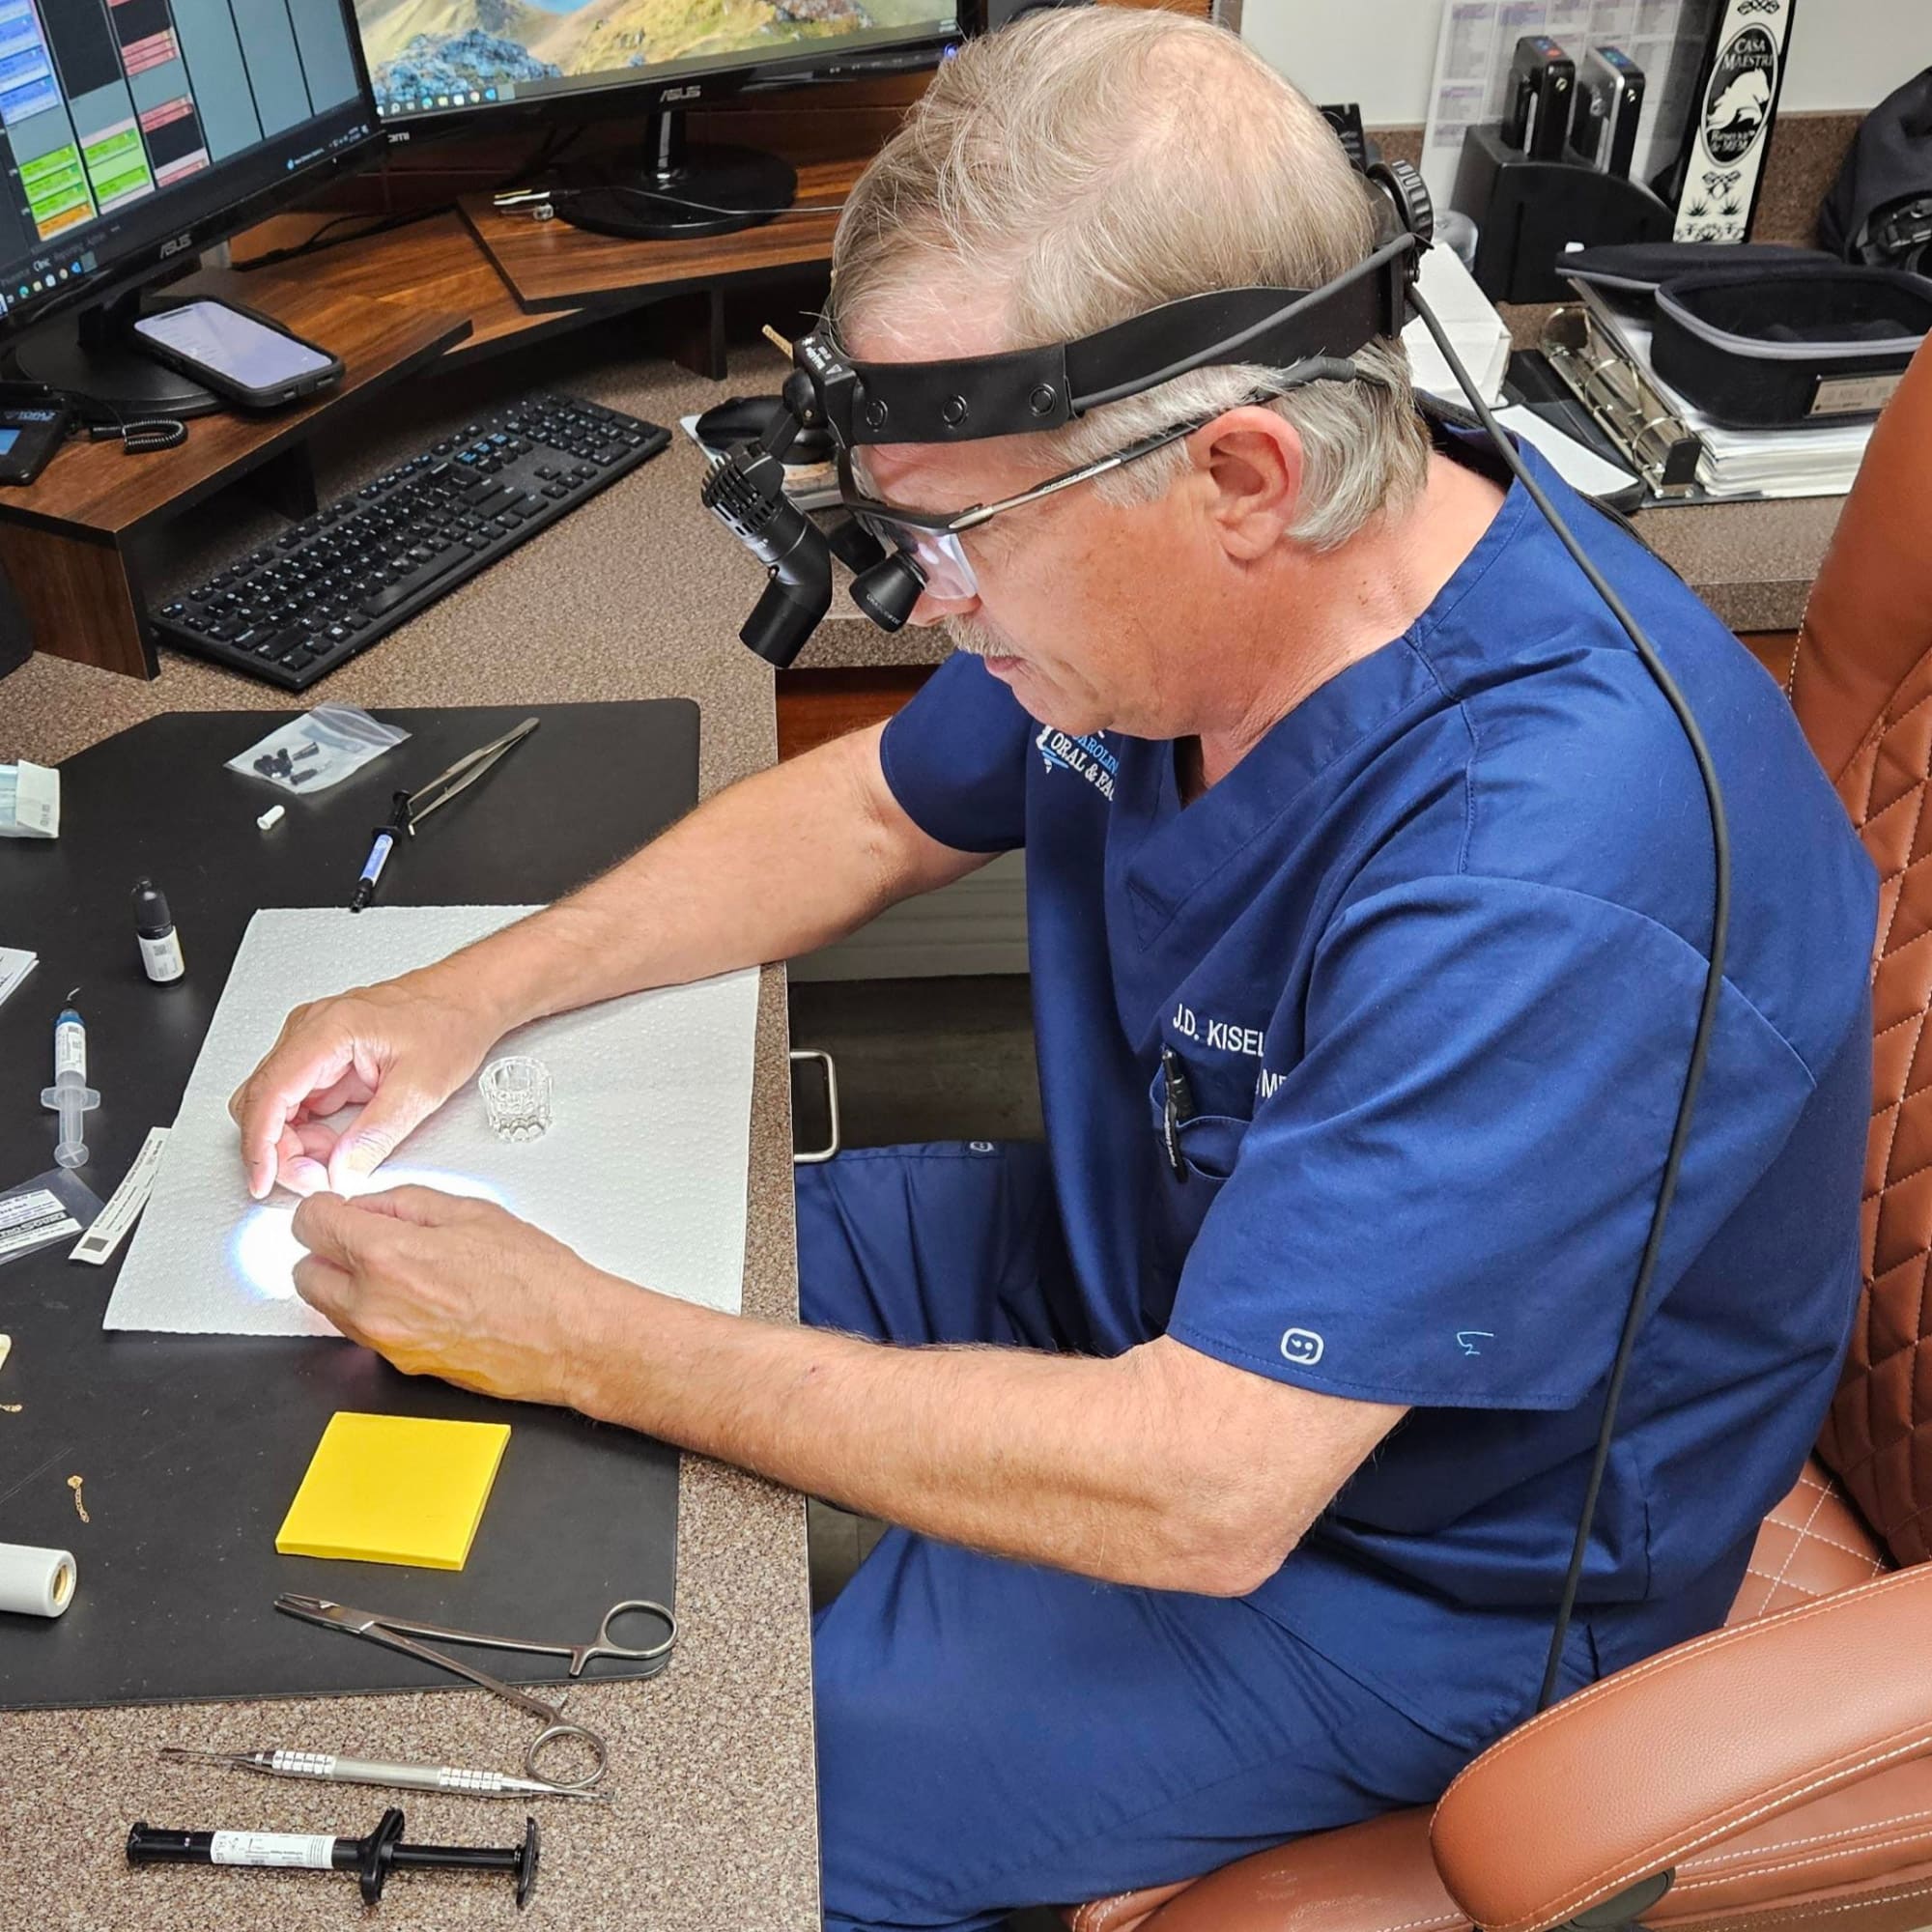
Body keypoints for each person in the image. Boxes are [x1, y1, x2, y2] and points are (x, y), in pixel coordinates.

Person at [231, 12, 1878, 1929]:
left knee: (652, 1830)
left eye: (952, 537)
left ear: (1245, 473)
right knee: (478, 1256)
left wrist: (586, 1338)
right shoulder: (1199, 593)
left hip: (1397, 1569)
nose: (927, 603)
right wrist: (471, 992)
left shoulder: (1555, 857)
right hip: (1135, 1273)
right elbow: (869, 816)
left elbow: (1200, 1486)